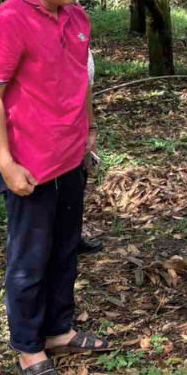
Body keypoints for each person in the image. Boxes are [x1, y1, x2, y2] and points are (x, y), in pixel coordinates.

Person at [0, 0, 108, 375]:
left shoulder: (76, 18)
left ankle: (59, 329)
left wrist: (89, 130)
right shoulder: (7, 21)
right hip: (29, 163)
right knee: (29, 260)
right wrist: (6, 162)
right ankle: (29, 346)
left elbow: (81, 79)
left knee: (65, 249)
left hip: (70, 156)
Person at [78, 49, 103, 256]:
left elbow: (86, 87)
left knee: (76, 184)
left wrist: (91, 127)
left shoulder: (80, 41)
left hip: (76, 129)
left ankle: (73, 237)